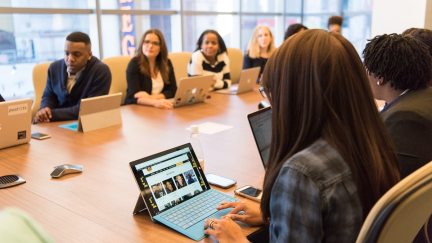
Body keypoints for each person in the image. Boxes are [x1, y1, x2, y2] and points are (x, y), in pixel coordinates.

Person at [204, 29, 400, 242]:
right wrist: (277, 217)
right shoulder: (370, 140)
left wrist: (236, 240)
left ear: (295, 94)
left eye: (272, 93)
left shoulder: (303, 173)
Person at [363, 33, 432, 178]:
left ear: (379, 77)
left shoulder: (404, 118)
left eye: (366, 70)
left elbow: (396, 178)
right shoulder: (424, 96)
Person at [33, 31, 111, 123]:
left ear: (89, 55)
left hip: (85, 124)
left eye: (76, 55)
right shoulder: (54, 68)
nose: (70, 59)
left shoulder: (100, 71)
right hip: (55, 125)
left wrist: (51, 114)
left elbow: (88, 110)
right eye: (66, 53)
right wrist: (44, 110)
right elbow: (49, 96)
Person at [125, 29, 177, 109]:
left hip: (160, 107)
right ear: (142, 44)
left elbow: (172, 90)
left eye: (155, 43)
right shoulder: (134, 64)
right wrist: (154, 102)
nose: (150, 46)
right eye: (146, 42)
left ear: (161, 48)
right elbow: (133, 96)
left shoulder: (166, 63)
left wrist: (150, 98)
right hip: (138, 109)